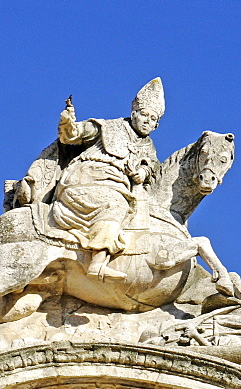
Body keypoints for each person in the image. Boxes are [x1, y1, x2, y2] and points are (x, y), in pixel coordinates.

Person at [49, 78, 165, 281]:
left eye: (152, 118)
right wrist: (68, 122)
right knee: (116, 206)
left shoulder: (149, 147)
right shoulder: (107, 128)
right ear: (134, 114)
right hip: (86, 180)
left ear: (156, 125)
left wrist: (142, 173)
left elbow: (151, 168)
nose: (147, 121)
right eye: (144, 115)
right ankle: (97, 263)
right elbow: (73, 135)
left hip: (117, 187)